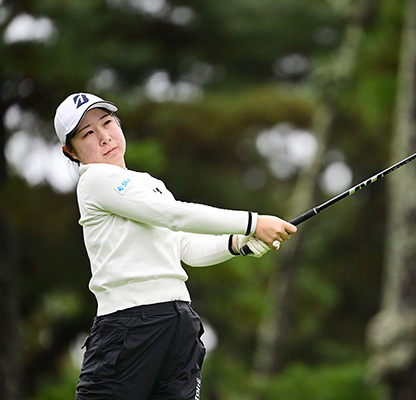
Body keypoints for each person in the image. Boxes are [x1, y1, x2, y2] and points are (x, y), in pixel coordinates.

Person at [54, 92, 297, 400]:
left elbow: (184, 249)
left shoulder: (149, 184)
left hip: (175, 321)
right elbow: (172, 215)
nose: (104, 137)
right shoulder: (94, 181)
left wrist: (239, 244)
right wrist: (252, 223)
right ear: (70, 151)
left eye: (107, 123)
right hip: (130, 327)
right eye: (88, 133)